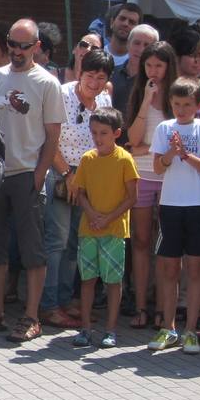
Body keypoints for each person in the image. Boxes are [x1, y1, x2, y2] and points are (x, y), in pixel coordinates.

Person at [0, 19, 64, 343]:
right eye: (12, 44)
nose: (16, 51)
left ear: (37, 47)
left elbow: (53, 136)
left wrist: (39, 174)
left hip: (27, 173)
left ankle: (31, 316)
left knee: (32, 250)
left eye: (23, 46)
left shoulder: (46, 82)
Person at [40, 49, 114, 329]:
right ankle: (48, 305)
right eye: (90, 75)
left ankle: (66, 300)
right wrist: (68, 174)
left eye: (101, 78)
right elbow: (50, 138)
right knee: (56, 240)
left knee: (76, 243)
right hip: (59, 174)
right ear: (80, 71)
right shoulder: (62, 94)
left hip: (88, 180)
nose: (94, 83)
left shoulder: (104, 100)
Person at [147, 78, 200, 355]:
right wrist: (170, 154)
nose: (181, 109)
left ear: (198, 105)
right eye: (177, 104)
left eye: (187, 104)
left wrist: (186, 155)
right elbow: (157, 167)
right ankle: (169, 328)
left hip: (198, 204)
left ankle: (191, 331)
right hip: (171, 205)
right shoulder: (165, 128)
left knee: (196, 269)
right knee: (168, 268)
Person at [72, 107, 139, 348]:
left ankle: (110, 330)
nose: (98, 138)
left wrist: (108, 218)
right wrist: (92, 214)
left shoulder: (124, 159)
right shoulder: (87, 159)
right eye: (94, 133)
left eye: (103, 133)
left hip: (114, 231)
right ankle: (86, 328)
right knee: (87, 280)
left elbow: (132, 197)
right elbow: (79, 193)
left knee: (113, 282)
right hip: (88, 229)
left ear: (116, 133)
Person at [125, 42, 177, 325]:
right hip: (142, 176)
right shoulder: (139, 93)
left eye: (158, 65)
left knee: (166, 244)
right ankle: (142, 307)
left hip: (170, 178)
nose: (153, 71)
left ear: (169, 66)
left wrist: (146, 148)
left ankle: (163, 309)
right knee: (141, 241)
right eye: (149, 66)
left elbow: (174, 141)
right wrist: (146, 100)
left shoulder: (178, 94)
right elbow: (132, 141)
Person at [111, 23, 160, 119]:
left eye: (146, 45)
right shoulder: (111, 74)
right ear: (128, 44)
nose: (140, 49)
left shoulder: (155, 82)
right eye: (136, 43)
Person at [101, 2, 143, 68]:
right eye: (122, 19)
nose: (125, 24)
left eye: (132, 22)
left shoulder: (140, 63)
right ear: (112, 22)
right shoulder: (97, 54)